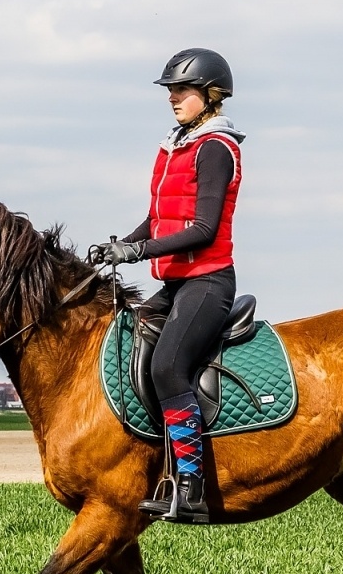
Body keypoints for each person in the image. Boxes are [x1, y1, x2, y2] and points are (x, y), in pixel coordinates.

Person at [89, 47, 243, 525]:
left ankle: (191, 484)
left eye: (182, 90)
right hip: (177, 283)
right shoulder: (174, 145)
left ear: (210, 95)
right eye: (170, 90)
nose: (172, 97)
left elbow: (203, 229)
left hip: (208, 284)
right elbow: (158, 219)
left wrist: (138, 254)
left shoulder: (215, 148)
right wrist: (122, 244)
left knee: (168, 368)